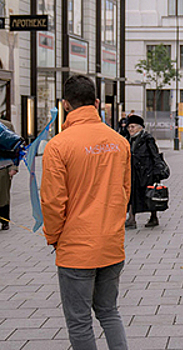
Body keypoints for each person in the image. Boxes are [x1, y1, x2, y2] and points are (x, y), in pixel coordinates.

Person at [40, 74, 130, 350]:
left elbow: (53, 202)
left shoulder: (58, 145)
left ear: (66, 105)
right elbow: (124, 193)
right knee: (109, 311)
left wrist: (54, 237)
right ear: (96, 102)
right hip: (111, 244)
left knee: (79, 322)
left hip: (76, 248)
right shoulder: (119, 142)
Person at [125, 114, 165, 228]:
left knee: (149, 195)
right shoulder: (128, 139)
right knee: (132, 195)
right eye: (129, 127)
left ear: (140, 127)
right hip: (133, 173)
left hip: (146, 173)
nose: (130, 129)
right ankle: (131, 219)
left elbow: (155, 155)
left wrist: (157, 171)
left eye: (133, 127)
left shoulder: (147, 139)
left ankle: (153, 217)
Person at [0, 118, 19, 230]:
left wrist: (14, 167)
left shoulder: (6, 126)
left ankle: (4, 220)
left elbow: (15, 148)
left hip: (3, 167)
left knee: (3, 196)